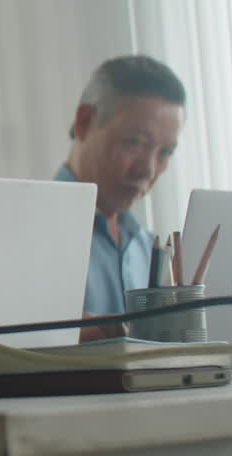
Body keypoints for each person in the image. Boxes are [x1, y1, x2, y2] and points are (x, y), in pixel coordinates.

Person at [56, 55, 186, 315]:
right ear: (84, 122)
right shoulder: (28, 236)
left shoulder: (150, 249)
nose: (148, 170)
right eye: (135, 142)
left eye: (165, 152)